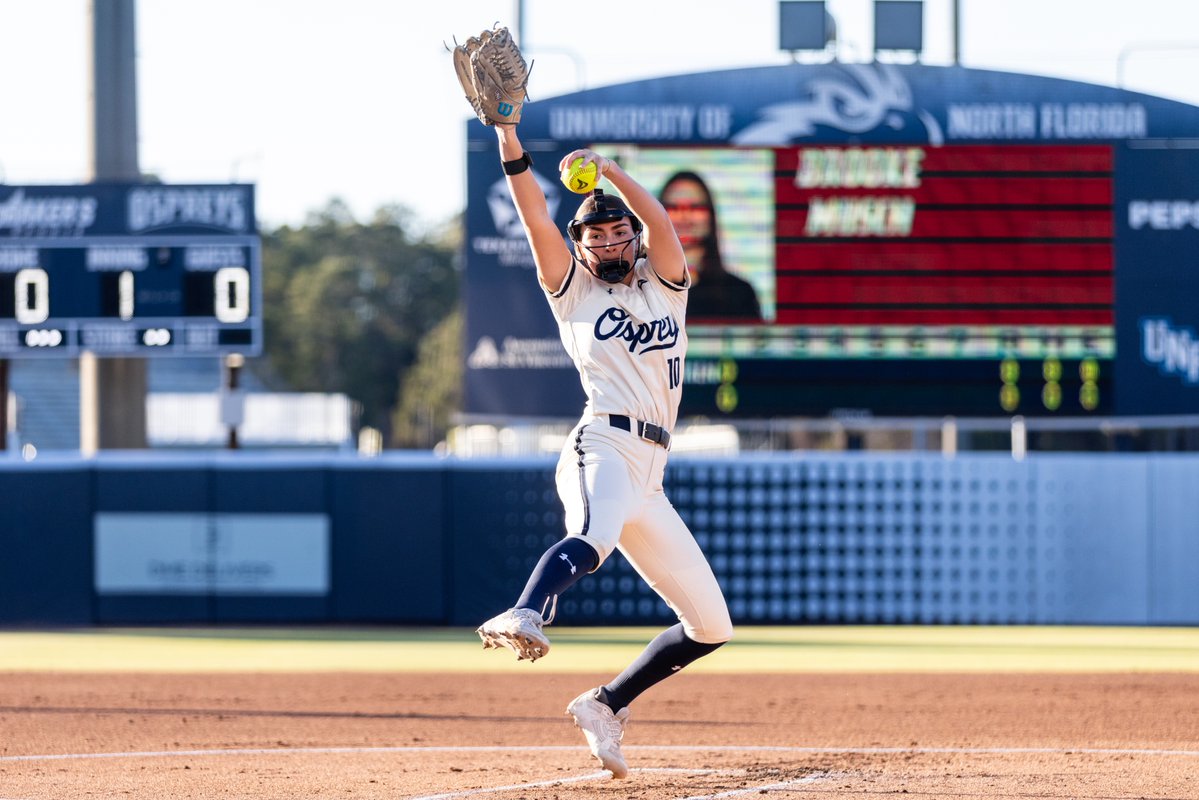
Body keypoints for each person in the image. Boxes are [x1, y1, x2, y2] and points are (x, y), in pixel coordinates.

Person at [474, 122, 735, 780]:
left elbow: (660, 223)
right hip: (604, 442)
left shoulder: (665, 282)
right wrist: (508, 135)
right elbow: (533, 213)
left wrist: (611, 172)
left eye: (620, 233)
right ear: (581, 247)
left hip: (652, 472)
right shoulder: (574, 293)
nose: (612, 241)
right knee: (592, 536)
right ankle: (526, 609)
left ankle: (605, 703)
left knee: (710, 626)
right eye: (598, 236)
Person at [659, 171, 762, 322]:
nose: (684, 216)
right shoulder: (641, 289)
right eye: (674, 207)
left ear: (711, 216)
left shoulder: (739, 293)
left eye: (695, 207)